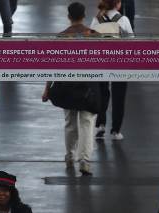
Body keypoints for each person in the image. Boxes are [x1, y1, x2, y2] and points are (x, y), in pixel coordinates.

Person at [40, 3, 98, 175]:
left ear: (68, 16)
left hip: (66, 86)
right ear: (84, 15)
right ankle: (85, 161)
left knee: (70, 123)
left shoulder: (61, 37)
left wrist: (47, 89)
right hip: (89, 87)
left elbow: (52, 66)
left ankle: (69, 155)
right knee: (87, 123)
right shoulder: (95, 36)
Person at [91, 0, 133, 142]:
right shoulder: (123, 20)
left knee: (102, 93)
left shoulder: (96, 19)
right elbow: (131, 41)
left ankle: (100, 124)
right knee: (118, 96)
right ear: (118, 4)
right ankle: (116, 130)